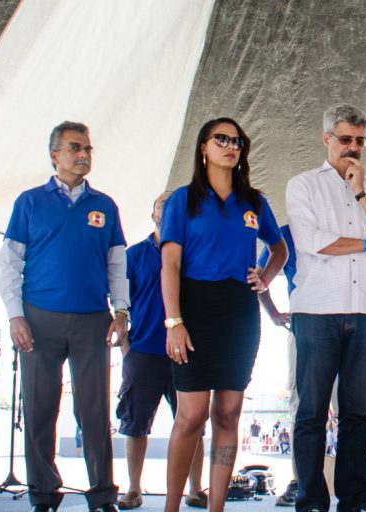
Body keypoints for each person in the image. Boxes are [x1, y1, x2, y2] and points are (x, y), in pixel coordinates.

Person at [0, 121, 129, 512]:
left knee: (94, 410)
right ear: (54, 155)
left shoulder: (104, 206)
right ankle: (43, 493)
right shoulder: (29, 202)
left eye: (88, 148)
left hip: (93, 319)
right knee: (39, 407)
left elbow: (116, 266)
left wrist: (121, 313)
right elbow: (10, 264)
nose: (84, 154)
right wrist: (14, 316)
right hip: (38, 320)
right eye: (75, 148)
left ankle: (102, 494)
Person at [162, 118, 288, 512]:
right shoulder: (181, 200)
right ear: (203, 147)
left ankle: (216, 507)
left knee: (229, 413)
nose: (230, 146)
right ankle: (171, 506)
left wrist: (264, 278)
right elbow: (169, 264)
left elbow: (279, 248)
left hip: (239, 311)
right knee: (191, 415)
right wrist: (174, 321)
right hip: (193, 307)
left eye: (236, 141)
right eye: (221, 139)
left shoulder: (254, 202)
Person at [286, 103, 366, 512]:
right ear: (327, 140)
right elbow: (312, 241)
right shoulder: (303, 185)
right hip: (317, 313)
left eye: (359, 141)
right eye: (344, 140)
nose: (352, 148)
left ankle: (355, 497)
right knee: (312, 413)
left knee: (358, 412)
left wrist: (360, 192)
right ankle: (311, 498)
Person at [116, 192, 206, 510]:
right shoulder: (134, 255)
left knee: (193, 423)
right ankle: (134, 489)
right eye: (162, 204)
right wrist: (127, 345)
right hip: (143, 352)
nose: (168, 210)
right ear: (152, 213)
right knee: (135, 424)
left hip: (187, 352)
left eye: (175, 205)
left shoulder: (196, 254)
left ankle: (195, 490)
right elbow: (118, 302)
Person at [256, 224, 303, 506]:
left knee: (349, 405)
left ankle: (358, 483)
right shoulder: (286, 233)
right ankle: (300, 479)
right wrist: (272, 312)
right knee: (301, 403)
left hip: (349, 322)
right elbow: (259, 280)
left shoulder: (345, 221)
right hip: (303, 325)